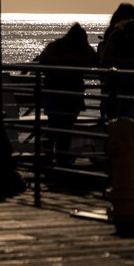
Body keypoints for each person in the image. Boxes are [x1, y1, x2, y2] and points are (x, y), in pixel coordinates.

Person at [36, 23, 97, 164]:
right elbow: (43, 60)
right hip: (58, 93)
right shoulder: (56, 46)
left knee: (64, 125)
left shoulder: (75, 47)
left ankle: (57, 155)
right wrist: (70, 61)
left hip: (68, 93)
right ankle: (55, 155)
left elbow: (95, 58)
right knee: (58, 125)